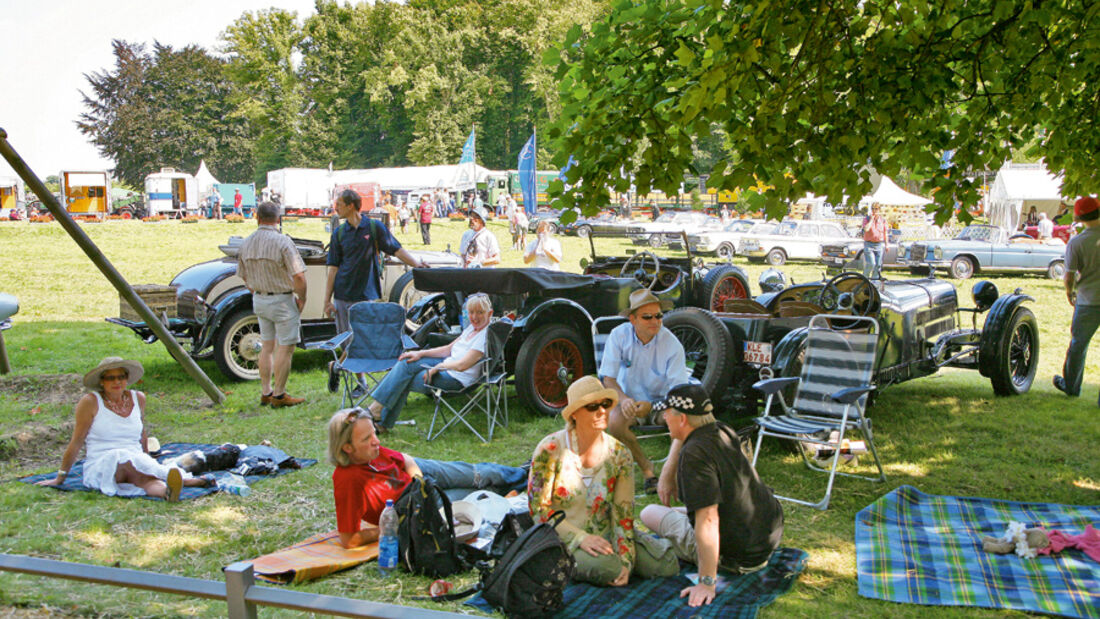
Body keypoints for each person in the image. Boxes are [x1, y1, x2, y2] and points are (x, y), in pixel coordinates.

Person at [640, 383, 784, 608]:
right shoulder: (722, 429)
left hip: (738, 557)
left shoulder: (694, 454)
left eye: (666, 414)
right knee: (686, 513)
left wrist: (706, 581)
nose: (664, 418)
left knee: (649, 513)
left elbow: (708, 519)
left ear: (683, 419)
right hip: (767, 535)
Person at [529, 376, 679, 586]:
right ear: (574, 414)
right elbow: (539, 510)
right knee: (609, 569)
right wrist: (581, 538)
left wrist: (627, 561)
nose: (602, 411)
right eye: (592, 406)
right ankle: (562, 560)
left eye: (606, 404)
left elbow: (622, 512)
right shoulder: (550, 449)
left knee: (666, 565)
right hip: (560, 536)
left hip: (605, 533)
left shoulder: (620, 453)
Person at [328, 407, 528, 549]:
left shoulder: (371, 450)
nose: (376, 441)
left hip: (419, 475)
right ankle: (523, 485)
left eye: (374, 433)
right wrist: (390, 528)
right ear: (347, 448)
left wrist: (419, 481)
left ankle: (527, 472)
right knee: (480, 495)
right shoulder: (348, 480)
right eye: (366, 439)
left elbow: (405, 460)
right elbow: (348, 540)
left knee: (481, 474)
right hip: (416, 507)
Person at [36, 357, 211, 501]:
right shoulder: (90, 402)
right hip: (103, 462)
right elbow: (77, 441)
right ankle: (184, 481)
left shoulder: (138, 398)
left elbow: (142, 434)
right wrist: (60, 477)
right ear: (101, 381)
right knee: (122, 459)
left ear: (127, 378)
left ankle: (167, 492)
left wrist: (147, 460)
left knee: (143, 477)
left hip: (134, 460)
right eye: (110, 378)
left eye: (121, 377)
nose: (117, 381)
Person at [324, 190, 430, 397]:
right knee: (349, 341)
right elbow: (333, 268)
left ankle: (336, 366)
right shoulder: (338, 233)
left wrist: (417, 265)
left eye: (339, 204)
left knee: (364, 338)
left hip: (367, 293)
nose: (336, 208)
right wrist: (326, 300)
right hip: (343, 293)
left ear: (352, 206)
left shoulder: (374, 227)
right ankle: (361, 382)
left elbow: (395, 249)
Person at [601, 289, 690, 494]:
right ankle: (647, 470)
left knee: (684, 419)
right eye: (647, 317)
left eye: (659, 315)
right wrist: (624, 400)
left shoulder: (671, 344)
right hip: (629, 401)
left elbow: (679, 393)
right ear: (632, 319)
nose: (655, 321)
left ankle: (673, 475)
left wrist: (654, 406)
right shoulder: (618, 336)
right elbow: (609, 379)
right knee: (614, 422)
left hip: (663, 403)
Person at [363, 293, 494, 429]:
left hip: (456, 379)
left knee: (404, 378)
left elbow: (462, 366)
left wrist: (439, 366)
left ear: (490, 313)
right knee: (407, 361)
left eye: (480, 312)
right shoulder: (472, 328)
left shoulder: (484, 336)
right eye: (471, 312)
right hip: (447, 365)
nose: (474, 317)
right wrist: (419, 353)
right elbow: (448, 349)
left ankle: (379, 417)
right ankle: (378, 413)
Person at [237, 201, 308, 407]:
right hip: (282, 299)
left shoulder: (246, 243)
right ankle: (279, 394)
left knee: (267, 346)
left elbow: (243, 276)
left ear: (257, 217)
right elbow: (299, 277)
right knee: (285, 347)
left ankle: (266, 390)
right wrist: (302, 298)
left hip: (259, 298)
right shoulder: (283, 242)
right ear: (277, 219)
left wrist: (256, 290)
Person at [1054, 196, 1100, 402]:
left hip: (1088, 300)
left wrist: (1069, 291)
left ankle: (1072, 386)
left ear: (1079, 217)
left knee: (1078, 346)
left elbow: (1069, 275)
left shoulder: (1076, 243)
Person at [861, 202, 888, 279]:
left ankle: (874, 282)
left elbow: (885, 233)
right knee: (871, 263)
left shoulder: (883, 220)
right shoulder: (867, 219)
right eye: (872, 208)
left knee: (878, 265)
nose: (874, 210)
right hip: (869, 244)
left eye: (876, 209)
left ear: (879, 210)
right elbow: (866, 229)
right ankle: (864, 279)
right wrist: (871, 220)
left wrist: (886, 245)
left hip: (879, 244)